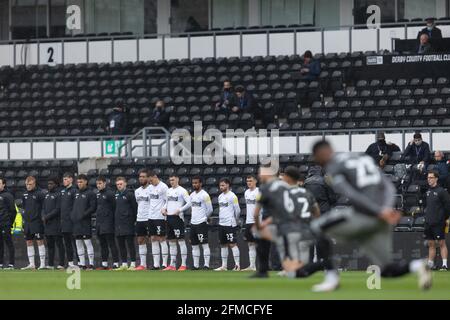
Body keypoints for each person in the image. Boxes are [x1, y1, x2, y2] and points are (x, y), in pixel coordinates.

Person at [282, 140, 432, 292]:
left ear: (322, 153)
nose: (316, 161)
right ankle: (418, 265)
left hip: (365, 215)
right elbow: (386, 185)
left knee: (317, 226)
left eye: (316, 157)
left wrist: (378, 211)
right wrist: (386, 208)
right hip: (381, 218)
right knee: (386, 269)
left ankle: (331, 278)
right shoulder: (362, 158)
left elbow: (351, 193)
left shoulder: (334, 165)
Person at [256, 166, 320, 273]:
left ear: (288, 178)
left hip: (291, 229)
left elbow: (281, 212)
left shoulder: (286, 193)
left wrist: (266, 222)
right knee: (303, 263)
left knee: (292, 262)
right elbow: (316, 211)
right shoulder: (306, 193)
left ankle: (281, 268)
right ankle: (321, 265)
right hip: (307, 229)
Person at [162, 174, 191, 271]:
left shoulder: (182, 191)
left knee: (181, 241)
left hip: (177, 218)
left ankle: (183, 264)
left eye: (173, 180)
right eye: (170, 180)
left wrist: (180, 210)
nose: (171, 182)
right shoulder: (168, 191)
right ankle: (172, 265)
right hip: (169, 218)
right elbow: (167, 202)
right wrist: (163, 208)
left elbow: (189, 202)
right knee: (171, 242)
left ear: (178, 179)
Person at [424, 171, 450, 271]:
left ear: (436, 179)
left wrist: (444, 218)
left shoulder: (442, 191)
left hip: (439, 223)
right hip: (428, 222)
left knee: (441, 243)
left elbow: (448, 207)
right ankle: (430, 264)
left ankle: (444, 265)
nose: (429, 179)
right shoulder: (427, 192)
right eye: (428, 177)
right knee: (431, 244)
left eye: (431, 177)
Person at [214, 178, 241, 271]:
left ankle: (237, 265)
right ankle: (224, 266)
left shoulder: (232, 196)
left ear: (228, 185)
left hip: (230, 223)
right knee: (223, 245)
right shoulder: (220, 197)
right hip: (222, 223)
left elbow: (237, 210)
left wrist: (235, 220)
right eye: (220, 185)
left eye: (223, 185)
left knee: (232, 244)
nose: (221, 187)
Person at [71, 174, 97, 270]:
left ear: (86, 182)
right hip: (76, 223)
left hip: (85, 222)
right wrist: (73, 216)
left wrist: (84, 214)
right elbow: (73, 207)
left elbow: (93, 207)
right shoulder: (76, 193)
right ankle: (82, 264)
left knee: (87, 242)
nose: (79, 184)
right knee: (78, 243)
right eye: (78, 182)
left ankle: (91, 264)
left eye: (81, 182)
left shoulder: (91, 193)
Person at [21, 176, 46, 270]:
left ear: (34, 184)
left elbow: (44, 207)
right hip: (27, 222)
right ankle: (31, 264)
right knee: (29, 241)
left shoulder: (40, 194)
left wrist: (42, 216)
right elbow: (23, 208)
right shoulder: (24, 195)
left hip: (37, 221)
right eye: (27, 184)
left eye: (30, 184)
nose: (28, 186)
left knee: (39, 241)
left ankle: (42, 264)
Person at [189, 176, 213, 270]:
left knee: (204, 244)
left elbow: (210, 209)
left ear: (200, 183)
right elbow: (192, 208)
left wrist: (204, 218)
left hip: (201, 223)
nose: (194, 184)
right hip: (193, 223)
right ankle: (196, 265)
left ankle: (206, 265)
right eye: (193, 183)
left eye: (196, 183)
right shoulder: (191, 195)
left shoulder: (205, 195)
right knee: (194, 245)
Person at [95, 176, 119, 270]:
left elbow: (114, 208)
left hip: (108, 223)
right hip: (100, 224)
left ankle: (116, 263)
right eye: (97, 184)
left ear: (105, 183)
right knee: (103, 244)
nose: (98, 185)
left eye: (100, 183)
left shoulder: (110, 193)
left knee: (111, 243)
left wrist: (112, 221)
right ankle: (104, 264)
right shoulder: (98, 194)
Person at [114, 177, 138, 271]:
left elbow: (135, 208)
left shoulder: (130, 194)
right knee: (121, 244)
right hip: (118, 223)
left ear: (125, 184)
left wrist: (133, 220)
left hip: (128, 223)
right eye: (118, 184)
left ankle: (132, 263)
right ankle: (124, 263)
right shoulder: (116, 195)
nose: (119, 186)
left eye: (121, 184)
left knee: (130, 244)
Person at [42, 177, 65, 270]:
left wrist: (46, 217)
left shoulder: (59, 195)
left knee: (59, 245)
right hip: (48, 224)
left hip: (56, 224)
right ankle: (50, 264)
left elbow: (58, 209)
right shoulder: (46, 195)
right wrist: (43, 215)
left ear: (56, 184)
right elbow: (43, 208)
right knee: (50, 245)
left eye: (51, 183)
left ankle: (61, 264)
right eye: (48, 184)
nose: (49, 185)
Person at [148, 171, 169, 269]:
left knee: (161, 238)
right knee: (153, 239)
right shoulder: (150, 187)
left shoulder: (163, 187)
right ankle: (156, 264)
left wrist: (164, 208)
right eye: (149, 181)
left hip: (160, 217)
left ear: (155, 177)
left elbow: (168, 201)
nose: (150, 182)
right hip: (151, 217)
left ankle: (164, 263)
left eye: (151, 180)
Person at [134, 169, 152, 271]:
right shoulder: (137, 191)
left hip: (149, 218)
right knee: (140, 241)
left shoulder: (151, 190)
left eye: (143, 176)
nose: (141, 178)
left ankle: (156, 263)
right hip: (140, 219)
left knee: (153, 240)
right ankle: (143, 264)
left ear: (148, 178)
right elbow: (138, 204)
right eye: (140, 177)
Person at [242, 175, 259, 272]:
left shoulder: (259, 191)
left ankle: (261, 266)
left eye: (250, 181)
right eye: (247, 181)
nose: (249, 182)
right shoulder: (246, 193)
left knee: (259, 244)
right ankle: (252, 266)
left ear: (255, 181)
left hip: (257, 221)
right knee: (250, 244)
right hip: (249, 221)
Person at [60, 172, 77, 267]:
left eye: (66, 179)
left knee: (75, 243)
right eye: (64, 179)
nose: (64, 181)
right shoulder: (62, 192)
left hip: (72, 222)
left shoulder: (74, 191)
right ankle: (70, 263)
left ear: (71, 179)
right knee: (67, 244)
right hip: (64, 222)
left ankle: (79, 262)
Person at [0, 177, 16, 269]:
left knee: (8, 243)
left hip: (5, 223)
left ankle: (11, 264)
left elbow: (13, 211)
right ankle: (0, 263)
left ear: (4, 184)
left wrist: (9, 223)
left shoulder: (8, 195)